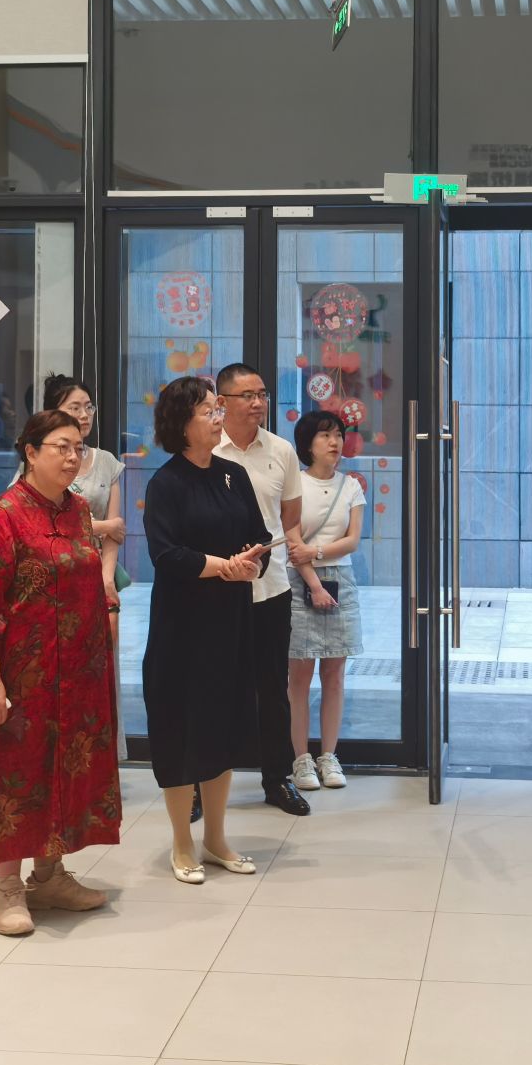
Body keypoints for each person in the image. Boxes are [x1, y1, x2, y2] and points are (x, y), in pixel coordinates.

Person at [0, 409, 122, 936]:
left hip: (79, 671)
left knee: (67, 770)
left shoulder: (79, 510)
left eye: (78, 447)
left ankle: (50, 875)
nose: (73, 457)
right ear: (31, 453)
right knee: (16, 775)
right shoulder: (2, 517)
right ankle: (9, 888)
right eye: (61, 446)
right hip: (22, 675)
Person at [141, 376, 270, 884]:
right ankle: (182, 842)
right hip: (181, 627)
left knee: (223, 726)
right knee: (179, 730)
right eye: (209, 412)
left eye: (219, 410)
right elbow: (165, 554)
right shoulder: (165, 483)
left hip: (230, 622)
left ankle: (216, 838)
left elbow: (259, 538)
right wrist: (222, 567)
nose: (220, 419)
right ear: (181, 423)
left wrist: (250, 565)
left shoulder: (233, 475)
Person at [212, 362, 312, 816]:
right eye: (247, 395)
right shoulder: (206, 449)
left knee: (272, 688)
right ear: (222, 402)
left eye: (263, 394)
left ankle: (277, 779)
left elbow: (289, 517)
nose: (258, 403)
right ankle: (202, 784)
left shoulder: (281, 450)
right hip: (215, 588)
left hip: (270, 588)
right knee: (214, 687)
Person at [35, 374, 129, 757]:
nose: (85, 414)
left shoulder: (106, 462)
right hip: (56, 579)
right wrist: (101, 525)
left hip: (98, 575)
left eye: (88, 406)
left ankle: (101, 758)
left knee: (101, 669)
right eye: (75, 407)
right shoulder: (42, 460)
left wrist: (106, 580)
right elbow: (43, 521)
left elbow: (118, 530)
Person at [283, 410, 365, 792]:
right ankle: (301, 759)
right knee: (299, 676)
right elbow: (291, 540)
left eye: (339, 435)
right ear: (307, 443)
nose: (335, 442)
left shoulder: (352, 486)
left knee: (334, 674)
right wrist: (315, 583)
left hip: (341, 581)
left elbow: (352, 541)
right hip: (301, 582)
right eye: (325, 435)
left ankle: (329, 756)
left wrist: (315, 553)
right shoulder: (295, 484)